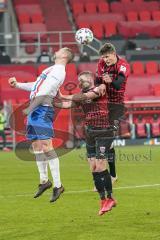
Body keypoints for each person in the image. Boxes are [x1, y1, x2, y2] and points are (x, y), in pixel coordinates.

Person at [8, 47, 74, 202]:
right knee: (37, 146)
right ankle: (44, 181)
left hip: (42, 109)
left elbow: (45, 91)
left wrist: (32, 106)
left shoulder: (59, 71)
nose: (56, 51)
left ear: (64, 55)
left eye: (59, 50)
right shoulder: (52, 69)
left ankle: (58, 185)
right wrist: (18, 85)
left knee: (46, 146)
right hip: (36, 109)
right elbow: (37, 85)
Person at [57, 71, 117, 216]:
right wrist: (49, 100)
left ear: (90, 79)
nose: (80, 80)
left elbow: (87, 96)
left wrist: (63, 94)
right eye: (78, 79)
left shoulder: (100, 88)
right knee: (93, 168)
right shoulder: (79, 96)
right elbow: (65, 105)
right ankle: (103, 200)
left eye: (83, 78)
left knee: (101, 165)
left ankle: (110, 198)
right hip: (89, 131)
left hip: (104, 130)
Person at [96, 42, 130, 184]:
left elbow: (119, 84)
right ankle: (112, 176)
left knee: (107, 141)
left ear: (114, 53)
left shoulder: (123, 65)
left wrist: (110, 81)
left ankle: (111, 176)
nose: (106, 60)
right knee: (106, 142)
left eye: (108, 57)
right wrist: (102, 83)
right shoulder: (101, 64)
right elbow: (98, 80)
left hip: (116, 106)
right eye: (104, 57)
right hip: (103, 104)